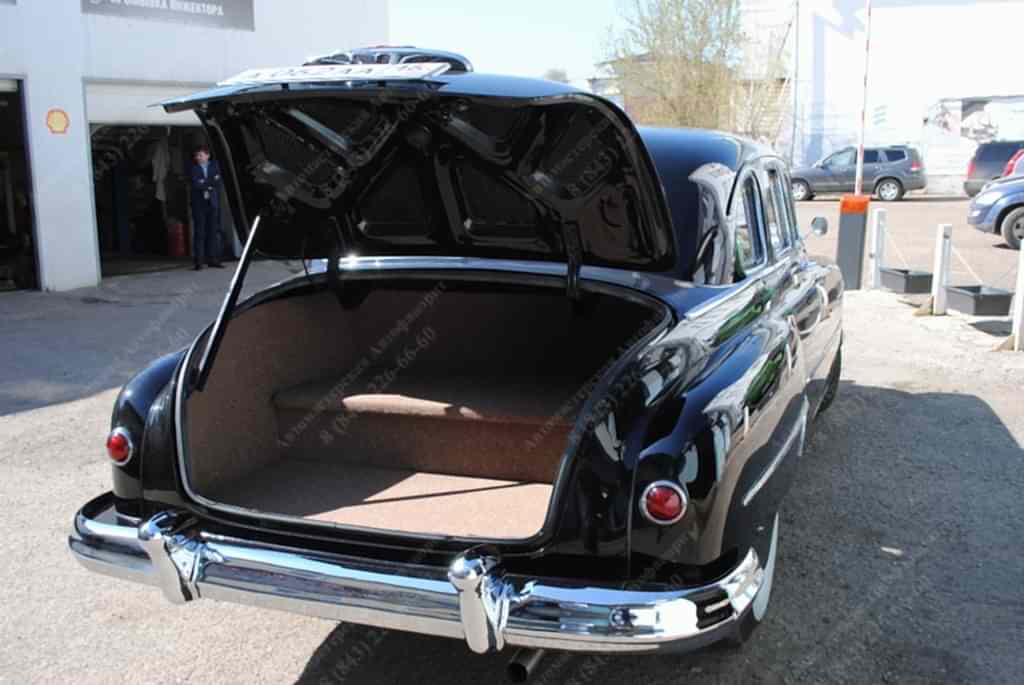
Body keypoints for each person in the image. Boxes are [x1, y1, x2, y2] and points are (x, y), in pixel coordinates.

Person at [189, 145, 224, 270]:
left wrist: (205, 182)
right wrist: (209, 184)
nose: (198, 158)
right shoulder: (193, 168)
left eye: (200, 155)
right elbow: (196, 183)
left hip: (212, 203)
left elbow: (218, 181)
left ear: (207, 155)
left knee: (213, 231)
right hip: (199, 204)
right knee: (200, 232)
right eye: (196, 156)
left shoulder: (215, 166)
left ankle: (213, 259)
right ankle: (199, 261)